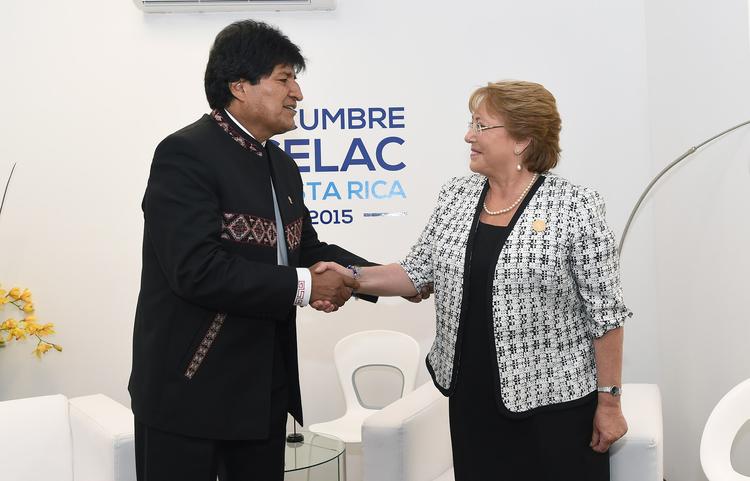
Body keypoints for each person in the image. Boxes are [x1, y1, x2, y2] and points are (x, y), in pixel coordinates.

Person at [315, 80, 631, 480]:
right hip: (472, 400)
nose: (469, 135)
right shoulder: (456, 195)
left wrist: (609, 403)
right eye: (471, 124)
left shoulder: (575, 206)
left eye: (481, 126)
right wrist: (351, 277)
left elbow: (606, 315)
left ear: (522, 140)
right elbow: (416, 272)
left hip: (554, 406)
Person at [128, 20, 375, 481]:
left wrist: (389, 276)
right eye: (284, 79)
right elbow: (196, 270)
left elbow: (306, 248)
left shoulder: (281, 163)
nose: (297, 93)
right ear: (239, 86)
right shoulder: (185, 154)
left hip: (263, 391)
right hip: (189, 392)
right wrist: (306, 286)